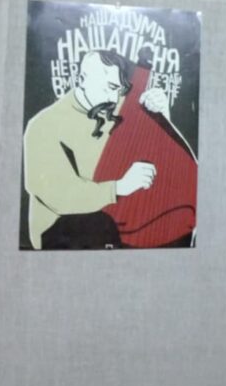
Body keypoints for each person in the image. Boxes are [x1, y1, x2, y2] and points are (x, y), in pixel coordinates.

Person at [22, 49, 168, 248]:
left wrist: (161, 116)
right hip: (62, 232)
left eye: (118, 91)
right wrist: (119, 187)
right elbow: (58, 194)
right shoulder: (43, 126)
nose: (114, 98)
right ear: (82, 79)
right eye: (110, 87)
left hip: (116, 219)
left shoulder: (112, 109)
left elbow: (152, 150)